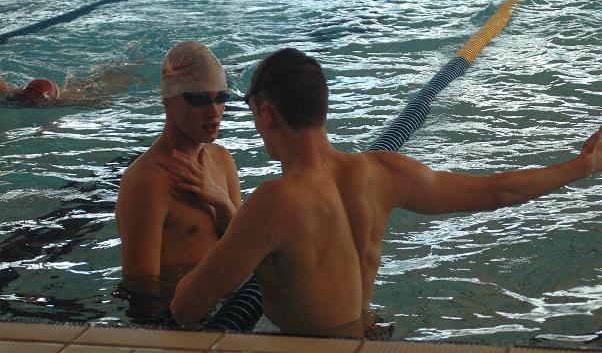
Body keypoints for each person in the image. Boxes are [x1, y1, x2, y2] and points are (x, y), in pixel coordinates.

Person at [170, 48, 601, 338]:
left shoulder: (273, 201)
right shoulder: (381, 171)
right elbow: (497, 192)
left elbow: (187, 307)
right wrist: (581, 166)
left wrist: (221, 222)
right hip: (370, 334)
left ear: (266, 113)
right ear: (322, 107)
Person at [115, 40, 241, 303]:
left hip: (225, 306)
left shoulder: (222, 160)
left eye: (221, 97)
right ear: (168, 99)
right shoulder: (146, 181)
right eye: (199, 99)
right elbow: (141, 287)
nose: (214, 111)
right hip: (179, 313)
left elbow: (244, 248)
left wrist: (220, 201)